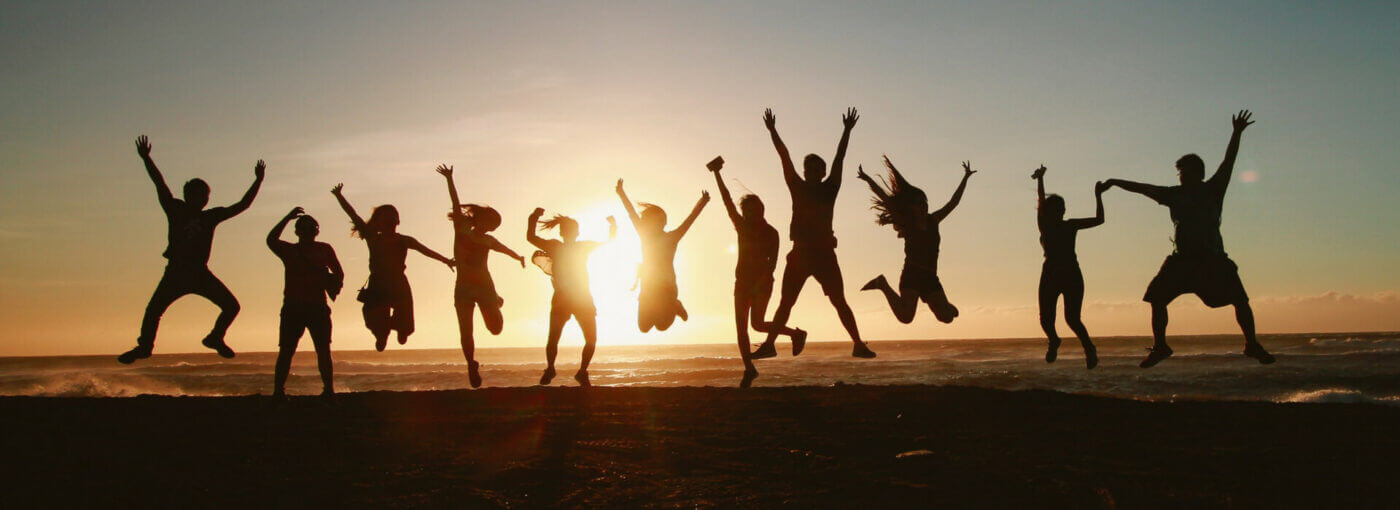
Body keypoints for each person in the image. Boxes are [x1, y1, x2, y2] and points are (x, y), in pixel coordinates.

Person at [1103, 110, 1275, 368]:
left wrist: (1236, 133)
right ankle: (1161, 346)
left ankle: (1251, 344)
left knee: (1240, 299)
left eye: (1182, 172)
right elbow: (1142, 188)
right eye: (1179, 173)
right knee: (1157, 298)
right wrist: (1116, 182)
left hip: (1212, 260)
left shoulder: (1213, 189)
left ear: (1195, 173)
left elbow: (1229, 161)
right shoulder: (1173, 194)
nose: (1180, 177)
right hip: (1181, 261)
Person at [118, 135, 264, 364]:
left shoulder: (211, 216)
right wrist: (147, 159)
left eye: (204, 195)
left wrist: (258, 181)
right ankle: (144, 347)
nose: (200, 199)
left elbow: (242, 205)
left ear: (207, 198)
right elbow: (160, 183)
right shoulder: (175, 208)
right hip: (176, 272)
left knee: (231, 306)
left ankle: (215, 337)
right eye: (195, 194)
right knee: (153, 311)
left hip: (199, 273)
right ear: (187, 195)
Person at [754, 107, 876, 359]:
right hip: (799, 253)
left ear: (821, 173)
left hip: (823, 254)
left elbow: (839, 159)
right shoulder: (796, 187)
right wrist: (773, 131)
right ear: (805, 171)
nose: (810, 171)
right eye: (807, 168)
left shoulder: (829, 188)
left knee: (839, 301)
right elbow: (784, 157)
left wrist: (846, 131)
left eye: (815, 168)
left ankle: (858, 344)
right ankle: (770, 345)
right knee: (785, 303)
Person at [708, 156, 807, 386]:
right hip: (741, 283)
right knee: (743, 328)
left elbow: (773, 263)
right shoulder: (741, 227)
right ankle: (749, 369)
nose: (753, 214)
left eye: (756, 209)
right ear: (745, 213)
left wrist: (763, 280)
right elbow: (727, 201)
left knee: (758, 324)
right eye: (749, 211)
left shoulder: (771, 232)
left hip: (762, 283)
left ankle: (795, 334)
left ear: (762, 209)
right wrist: (717, 174)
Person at [330, 183, 454, 351]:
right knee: (375, 318)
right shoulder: (374, 238)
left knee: (405, 318)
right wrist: (339, 196)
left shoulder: (404, 240)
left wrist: (446, 260)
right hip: (378, 282)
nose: (389, 220)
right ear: (379, 223)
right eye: (385, 218)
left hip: (398, 282)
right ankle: (382, 335)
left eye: (392, 217)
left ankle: (400, 330)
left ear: (398, 221)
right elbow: (353, 215)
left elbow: (426, 251)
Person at [436, 164, 526, 388]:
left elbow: (505, 249)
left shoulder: (488, 240)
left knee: (496, 329)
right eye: (491, 224)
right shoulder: (461, 229)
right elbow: (456, 204)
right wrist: (449, 179)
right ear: (482, 219)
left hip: (485, 288)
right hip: (463, 289)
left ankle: (496, 300)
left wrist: (518, 258)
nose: (492, 229)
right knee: (466, 330)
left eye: (494, 227)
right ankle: (470, 364)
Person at [857, 156, 973, 326]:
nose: (923, 205)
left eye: (924, 202)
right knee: (906, 317)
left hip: (930, 276)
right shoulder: (907, 224)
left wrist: (966, 177)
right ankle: (882, 284)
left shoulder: (934, 220)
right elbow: (886, 200)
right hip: (912, 274)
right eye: (918, 203)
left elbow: (953, 202)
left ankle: (943, 306)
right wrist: (868, 179)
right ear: (911, 207)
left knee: (947, 318)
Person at [527, 208, 616, 387]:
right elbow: (610, 240)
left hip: (576, 297)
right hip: (573, 297)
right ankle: (571, 371)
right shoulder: (566, 246)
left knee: (562, 338)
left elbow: (530, 237)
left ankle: (569, 371)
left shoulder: (564, 246)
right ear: (574, 232)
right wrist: (612, 225)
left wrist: (533, 218)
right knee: (582, 338)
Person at [1030, 165, 1106, 369]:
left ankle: (1089, 349)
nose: (1062, 211)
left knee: (1072, 318)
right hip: (1051, 273)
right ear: (1051, 211)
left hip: (1071, 273)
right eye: (1058, 208)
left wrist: (1098, 196)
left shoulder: (1070, 225)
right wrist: (1040, 180)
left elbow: (1099, 220)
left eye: (1063, 208)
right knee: (1046, 319)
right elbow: (1040, 200)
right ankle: (1054, 340)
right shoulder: (1044, 224)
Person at [267, 207, 344, 396]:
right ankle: (280, 392)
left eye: (311, 229)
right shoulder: (292, 250)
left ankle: (326, 391)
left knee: (317, 351)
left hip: (312, 307)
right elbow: (271, 240)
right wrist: (286, 217)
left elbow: (339, 273)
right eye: (307, 229)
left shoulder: (319, 249)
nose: (309, 232)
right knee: (292, 351)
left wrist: (329, 282)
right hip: (298, 307)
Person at [615, 178, 709, 332]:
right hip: (648, 286)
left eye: (658, 221)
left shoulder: (672, 237)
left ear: (663, 223)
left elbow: (689, 220)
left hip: (667, 288)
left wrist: (702, 202)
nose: (652, 224)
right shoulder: (644, 235)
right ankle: (672, 306)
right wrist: (621, 193)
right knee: (644, 327)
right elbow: (631, 213)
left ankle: (675, 305)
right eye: (649, 221)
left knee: (662, 326)